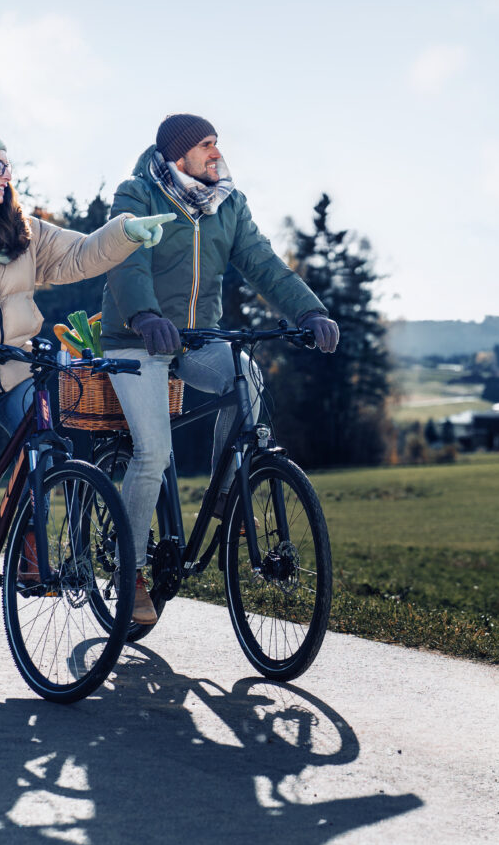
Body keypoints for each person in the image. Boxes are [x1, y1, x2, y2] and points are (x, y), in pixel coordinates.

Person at [0, 119, 173, 580]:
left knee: (45, 443)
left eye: (9, 166)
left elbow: (79, 254)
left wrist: (126, 233)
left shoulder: (20, 231)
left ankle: (29, 537)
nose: (8, 175)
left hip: (8, 364)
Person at [100, 114, 339, 624]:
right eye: (206, 145)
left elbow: (263, 262)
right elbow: (126, 262)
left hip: (195, 340)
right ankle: (132, 571)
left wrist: (309, 310)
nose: (216, 152)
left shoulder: (228, 204)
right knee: (153, 452)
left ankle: (228, 492)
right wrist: (143, 315)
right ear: (178, 155)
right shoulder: (137, 194)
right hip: (134, 340)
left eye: (217, 144)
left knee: (246, 375)